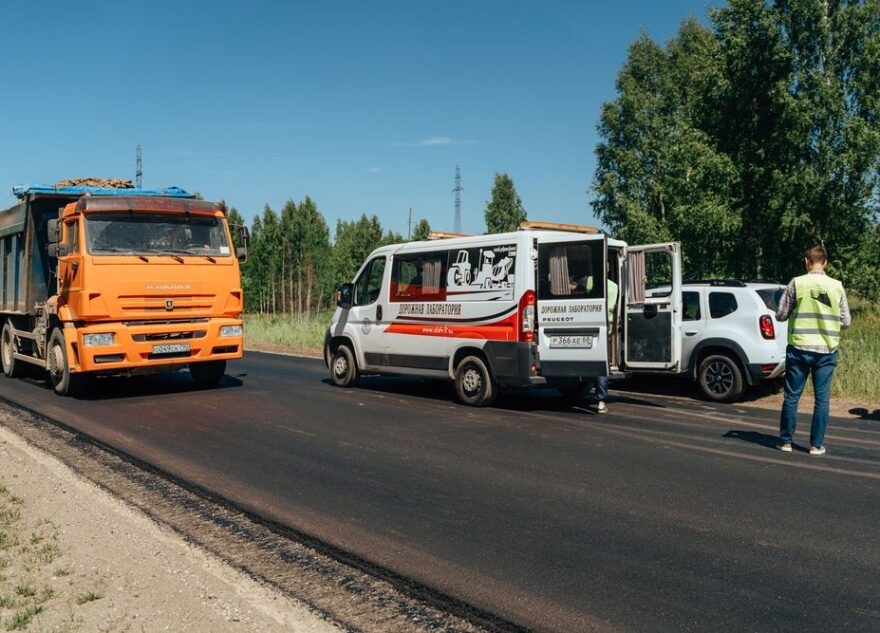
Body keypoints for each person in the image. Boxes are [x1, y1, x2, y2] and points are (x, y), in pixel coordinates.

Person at [776, 245, 850, 455]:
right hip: (826, 350)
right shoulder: (837, 286)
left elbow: (781, 315)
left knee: (792, 397)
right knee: (822, 400)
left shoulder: (797, 283)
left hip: (799, 348)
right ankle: (816, 445)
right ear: (825, 262)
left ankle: (786, 442)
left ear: (806, 261)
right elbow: (846, 321)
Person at [596, 262, 619, 414]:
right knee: (602, 367)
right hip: (606, 328)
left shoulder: (591, 281)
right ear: (609, 270)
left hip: (590, 326)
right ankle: (601, 402)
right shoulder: (614, 287)